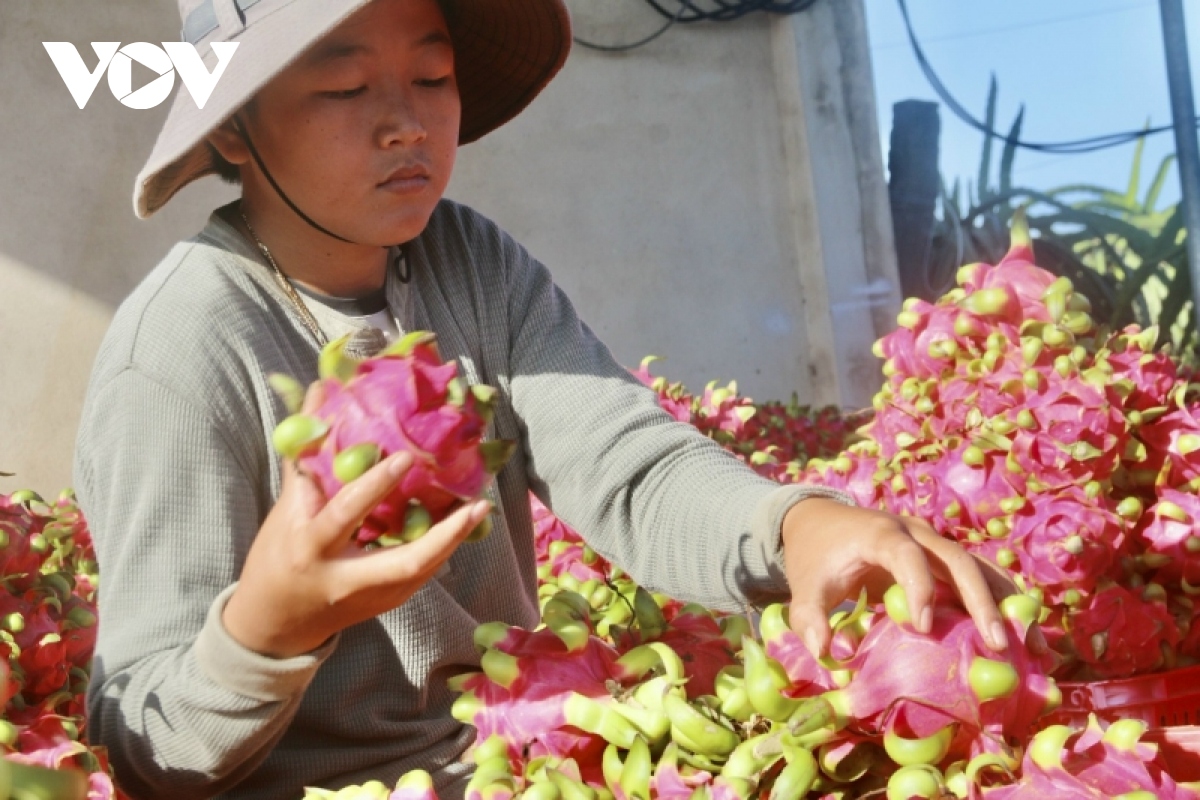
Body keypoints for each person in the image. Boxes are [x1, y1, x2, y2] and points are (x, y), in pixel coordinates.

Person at [73, 0, 1016, 798]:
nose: (406, 122)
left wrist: (797, 525)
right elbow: (140, 737)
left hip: (523, 757)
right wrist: (268, 632)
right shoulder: (178, 350)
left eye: (434, 78)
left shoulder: (470, 263)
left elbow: (627, 466)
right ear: (234, 125)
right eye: (344, 88)